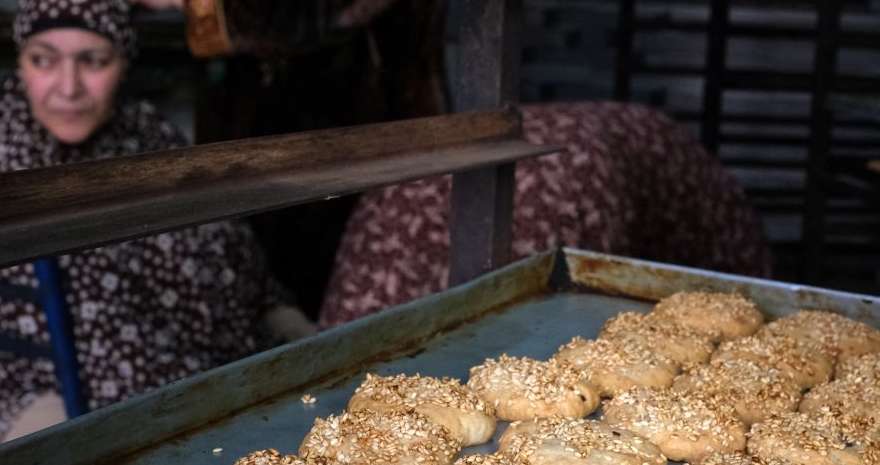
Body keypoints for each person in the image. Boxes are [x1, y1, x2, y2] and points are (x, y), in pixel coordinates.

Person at [0, 0, 290, 462]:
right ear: (20, 62)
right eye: (43, 60)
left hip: (198, 378)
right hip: (64, 407)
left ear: (125, 61)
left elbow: (232, 251)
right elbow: (75, 355)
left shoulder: (147, 137)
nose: (68, 87)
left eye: (93, 60)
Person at [105, 0, 453, 320]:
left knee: (339, 314)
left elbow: (325, 4)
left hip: (355, 148)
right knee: (258, 298)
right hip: (252, 145)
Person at [318, 101, 773, 327]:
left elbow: (596, 299)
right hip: (553, 174)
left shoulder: (575, 197)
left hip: (585, 175)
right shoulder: (390, 230)